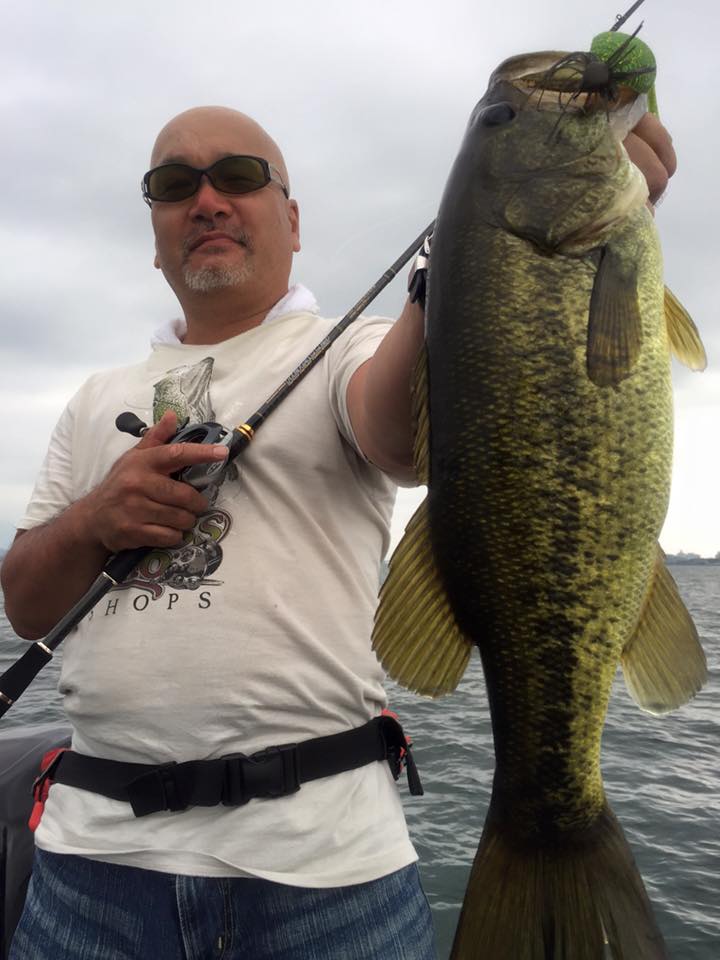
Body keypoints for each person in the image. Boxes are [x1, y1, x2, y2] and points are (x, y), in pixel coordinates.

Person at [0, 104, 676, 960]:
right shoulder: (94, 398)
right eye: (174, 185)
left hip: (325, 879)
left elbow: (401, 435)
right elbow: (27, 605)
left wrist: (524, 234)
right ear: (155, 234)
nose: (206, 200)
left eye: (238, 176)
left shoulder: (354, 348)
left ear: (291, 221)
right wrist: (96, 519)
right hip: (89, 869)